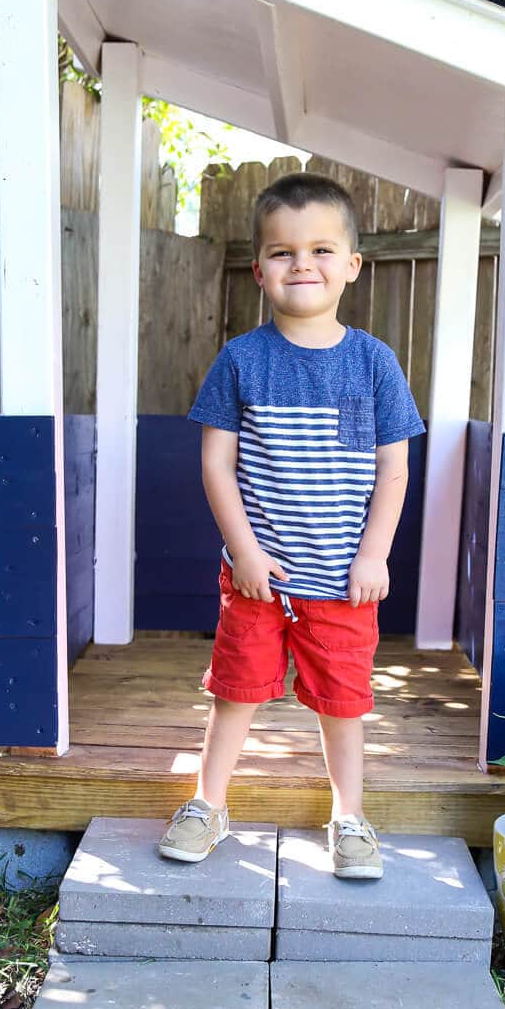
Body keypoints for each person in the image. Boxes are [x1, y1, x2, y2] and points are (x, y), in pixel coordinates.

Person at [157, 171, 425, 879]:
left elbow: (393, 470)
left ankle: (349, 818)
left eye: (321, 250)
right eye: (282, 251)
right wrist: (244, 552)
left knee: (343, 702)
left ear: (352, 267)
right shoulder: (241, 360)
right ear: (259, 270)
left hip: (342, 578)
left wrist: (375, 556)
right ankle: (207, 803)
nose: (302, 263)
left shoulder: (373, 364)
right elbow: (217, 465)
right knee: (235, 691)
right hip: (258, 577)